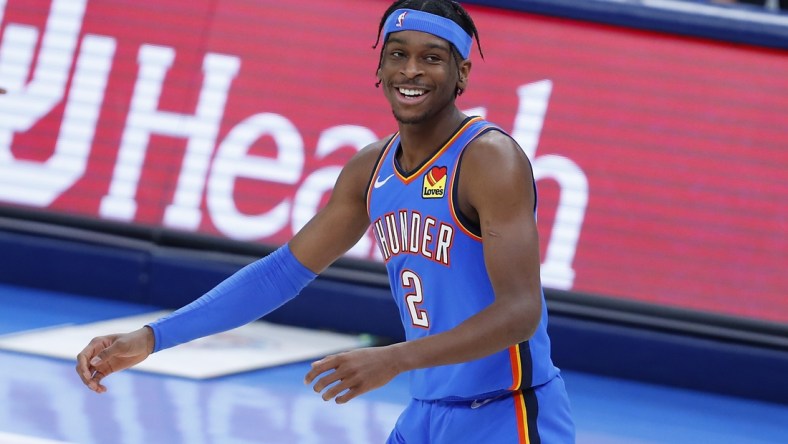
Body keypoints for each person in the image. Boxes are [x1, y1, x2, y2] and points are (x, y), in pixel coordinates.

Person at [76, 1, 575, 442]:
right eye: (397, 53)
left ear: (462, 73)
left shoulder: (489, 159)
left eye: (432, 58)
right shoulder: (370, 169)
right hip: (425, 414)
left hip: (507, 415)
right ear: (379, 67)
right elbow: (279, 275)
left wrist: (394, 358)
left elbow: (520, 312)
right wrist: (152, 337)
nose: (411, 70)